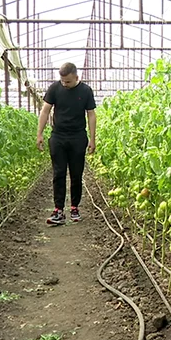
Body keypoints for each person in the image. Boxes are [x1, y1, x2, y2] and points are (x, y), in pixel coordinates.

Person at [36, 62, 97, 225]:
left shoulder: (85, 91)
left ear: (77, 77)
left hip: (78, 137)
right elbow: (45, 110)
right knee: (58, 173)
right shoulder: (54, 89)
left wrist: (92, 138)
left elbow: (91, 114)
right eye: (62, 81)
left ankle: (74, 208)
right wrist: (39, 133)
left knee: (76, 175)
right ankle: (58, 211)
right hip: (58, 136)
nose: (65, 84)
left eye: (68, 81)